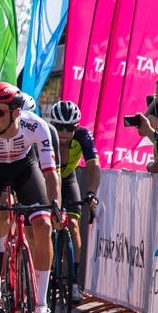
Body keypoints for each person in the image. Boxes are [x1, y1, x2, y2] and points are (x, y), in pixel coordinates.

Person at [0, 82, 61, 313]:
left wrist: (56, 207)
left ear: (15, 113)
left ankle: (41, 304)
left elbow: (50, 174)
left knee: (43, 226)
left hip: (25, 168)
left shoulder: (36, 126)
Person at [49, 100, 100, 302]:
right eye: (59, 127)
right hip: (47, 178)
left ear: (76, 127)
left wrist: (91, 193)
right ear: (52, 124)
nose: (64, 132)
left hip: (67, 178)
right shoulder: (45, 134)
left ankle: (74, 281)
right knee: (44, 224)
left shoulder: (83, 136)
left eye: (69, 127)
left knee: (73, 225)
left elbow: (94, 167)